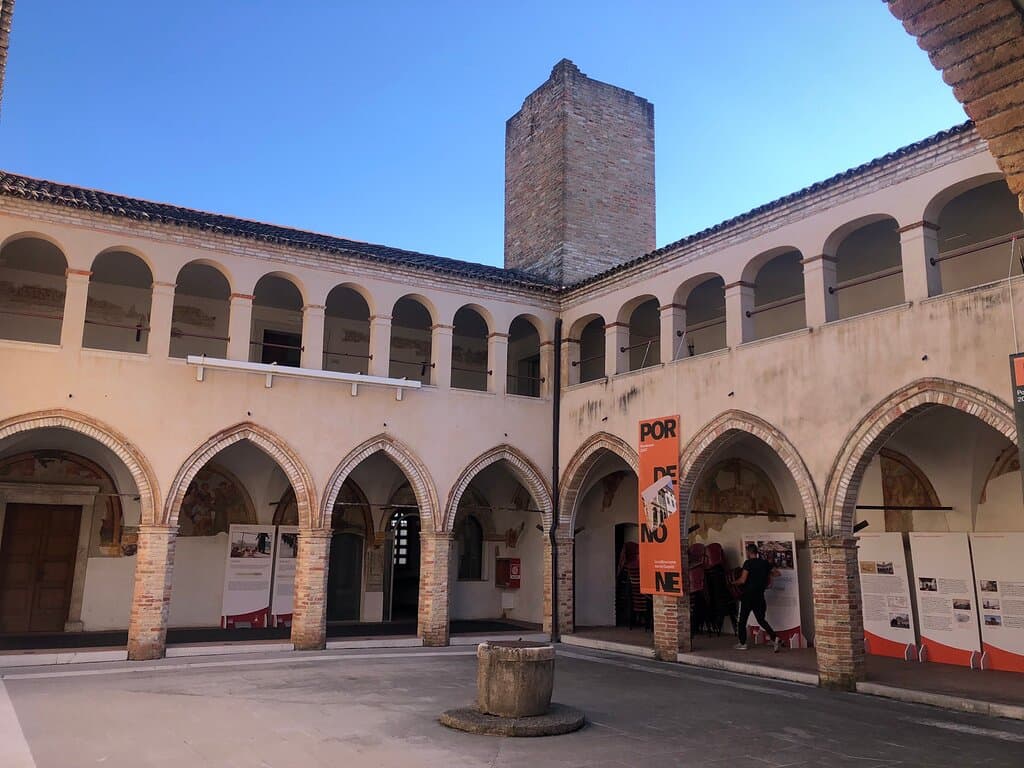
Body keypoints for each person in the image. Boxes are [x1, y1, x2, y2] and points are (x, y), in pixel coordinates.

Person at [733, 542, 781, 652]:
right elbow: (777, 573)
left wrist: (733, 583)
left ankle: (742, 643)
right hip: (760, 595)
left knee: (742, 620)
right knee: (761, 620)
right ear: (756, 552)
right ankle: (774, 637)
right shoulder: (764, 563)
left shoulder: (748, 563)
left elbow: (743, 579)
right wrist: (767, 575)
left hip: (748, 596)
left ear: (749, 553)